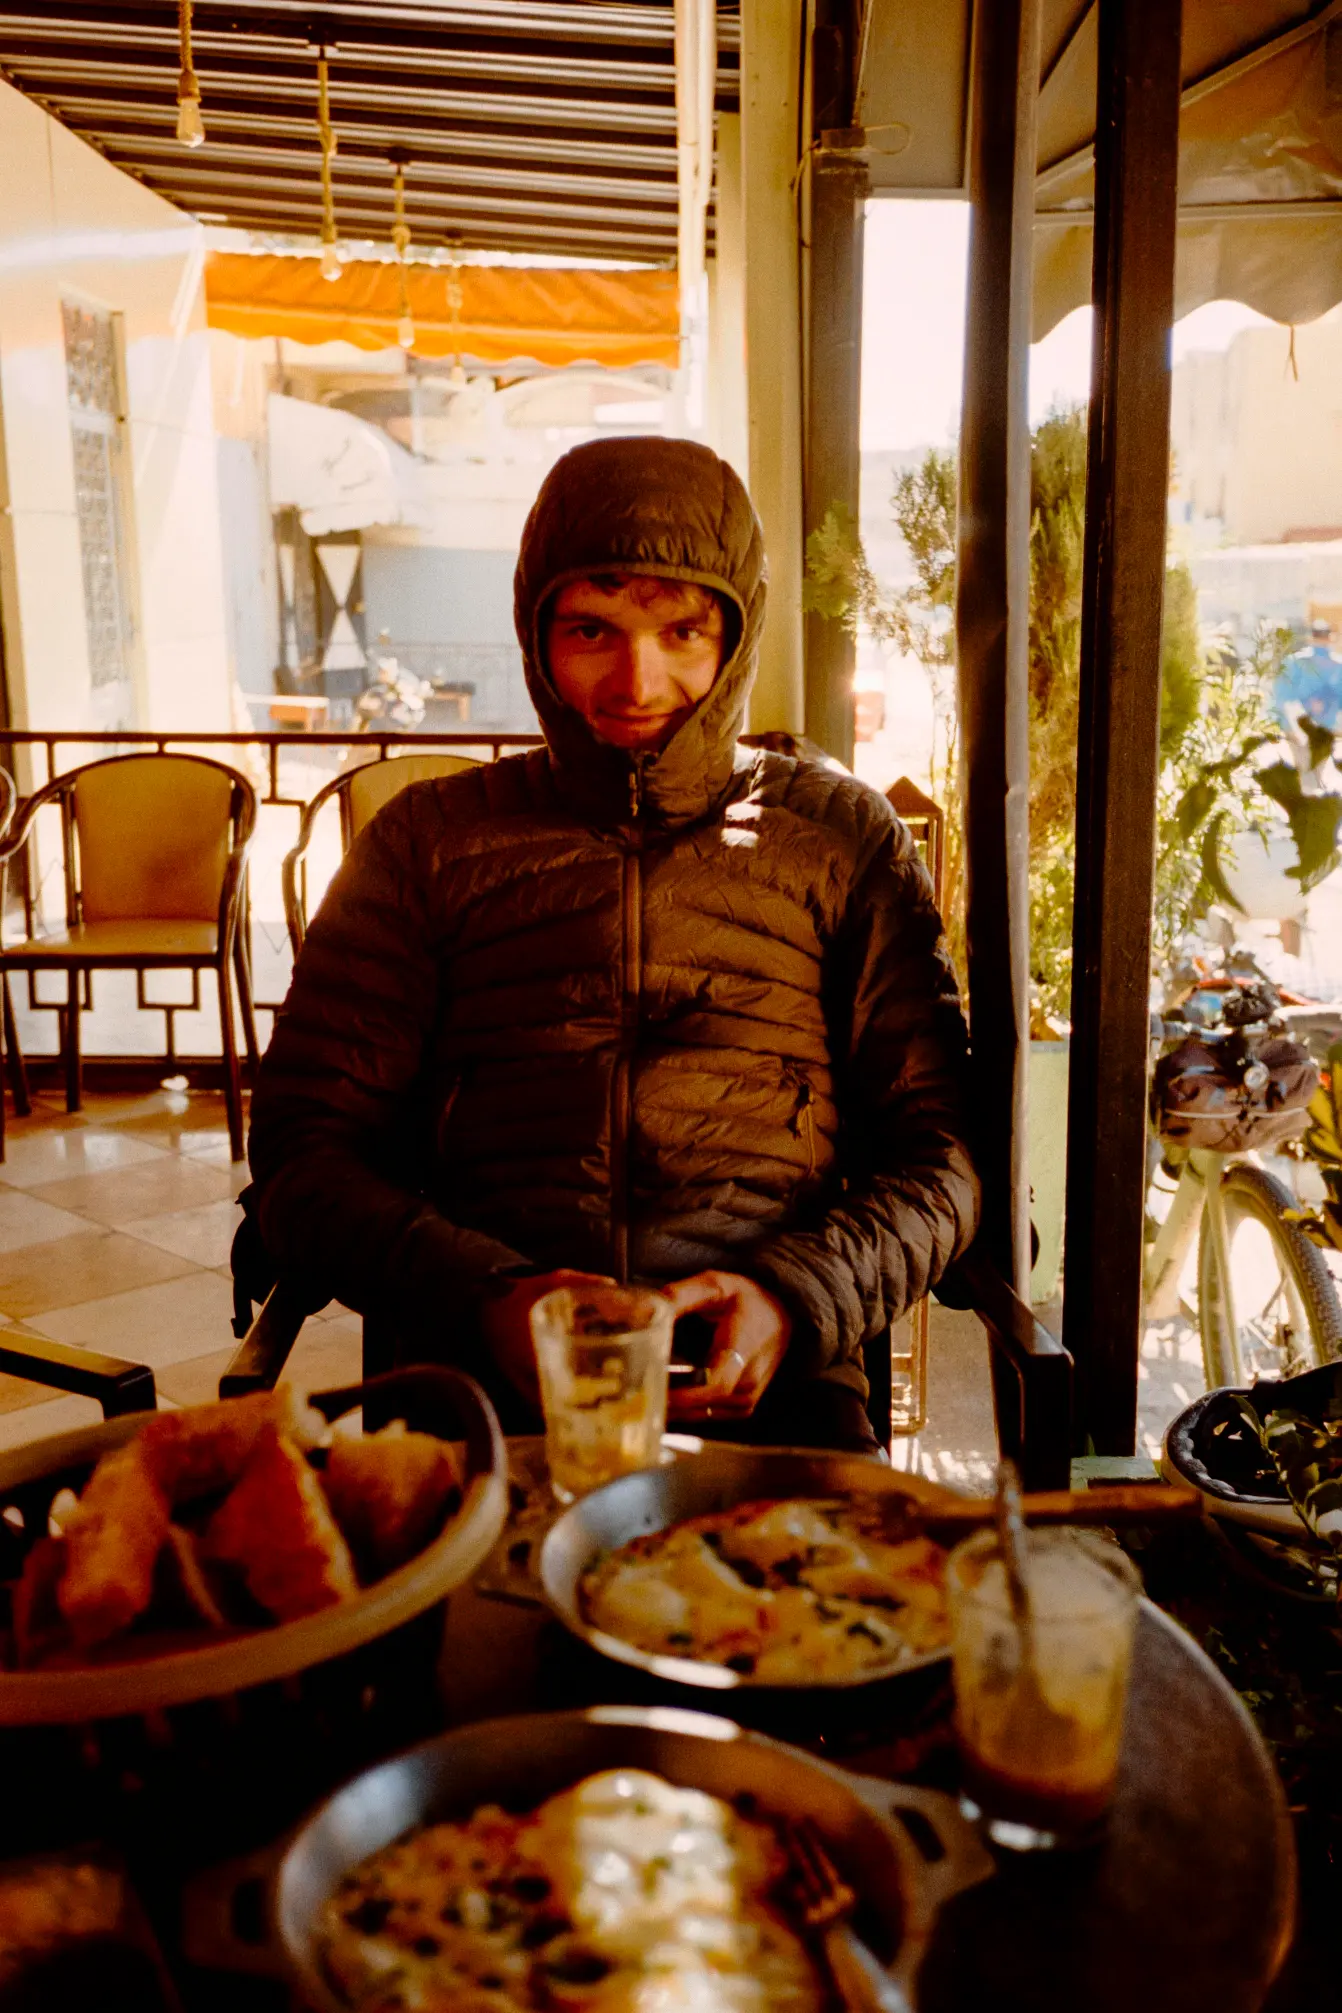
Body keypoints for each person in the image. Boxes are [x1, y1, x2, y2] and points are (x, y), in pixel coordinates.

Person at [247, 437, 979, 1453]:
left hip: (776, 1389)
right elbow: (301, 1153)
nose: (637, 680)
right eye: (591, 629)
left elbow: (940, 1155)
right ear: (534, 631)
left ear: (735, 634)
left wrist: (794, 1297)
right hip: (476, 1387)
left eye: (681, 631)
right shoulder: (426, 842)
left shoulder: (840, 840)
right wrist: (487, 1297)